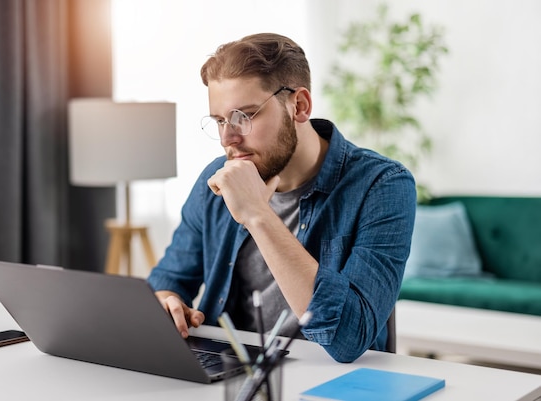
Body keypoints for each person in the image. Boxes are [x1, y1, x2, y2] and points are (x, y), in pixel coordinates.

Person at [147, 32, 416, 363]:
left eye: (244, 116)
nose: (227, 138)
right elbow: (169, 279)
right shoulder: (215, 178)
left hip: (332, 380)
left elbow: (349, 337)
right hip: (232, 373)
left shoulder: (382, 185)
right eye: (219, 120)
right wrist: (165, 300)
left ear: (299, 106)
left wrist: (258, 215)